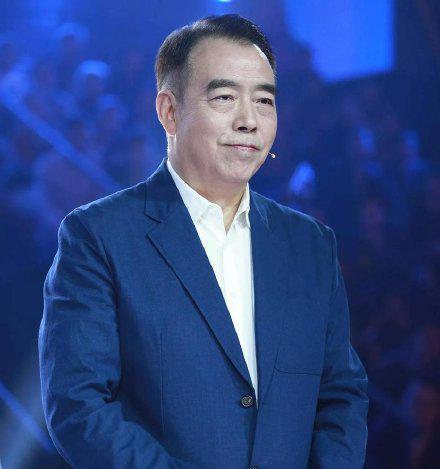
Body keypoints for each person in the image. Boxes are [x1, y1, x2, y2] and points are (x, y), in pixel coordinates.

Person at [39, 14, 369, 468]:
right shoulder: (99, 236)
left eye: (264, 101)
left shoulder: (310, 244)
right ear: (169, 111)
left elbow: (341, 396)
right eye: (225, 97)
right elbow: (80, 407)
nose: (249, 121)